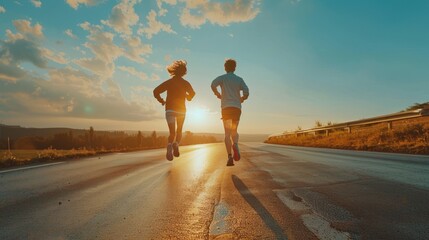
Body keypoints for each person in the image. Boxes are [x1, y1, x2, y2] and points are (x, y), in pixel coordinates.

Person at [153, 60, 195, 161]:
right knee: (179, 130)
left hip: (170, 110)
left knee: (172, 133)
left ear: (174, 71)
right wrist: (188, 97)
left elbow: (155, 91)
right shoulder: (185, 83)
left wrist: (161, 100)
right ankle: (176, 144)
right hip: (181, 110)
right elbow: (192, 93)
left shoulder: (169, 82)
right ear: (184, 72)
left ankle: (169, 145)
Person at [211, 59, 249, 166]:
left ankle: (229, 157)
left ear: (225, 67)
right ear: (235, 68)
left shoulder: (222, 78)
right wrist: (242, 98)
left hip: (226, 108)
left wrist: (218, 94)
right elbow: (246, 91)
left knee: (227, 134)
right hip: (236, 108)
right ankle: (235, 144)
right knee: (234, 130)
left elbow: (213, 84)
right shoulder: (239, 79)